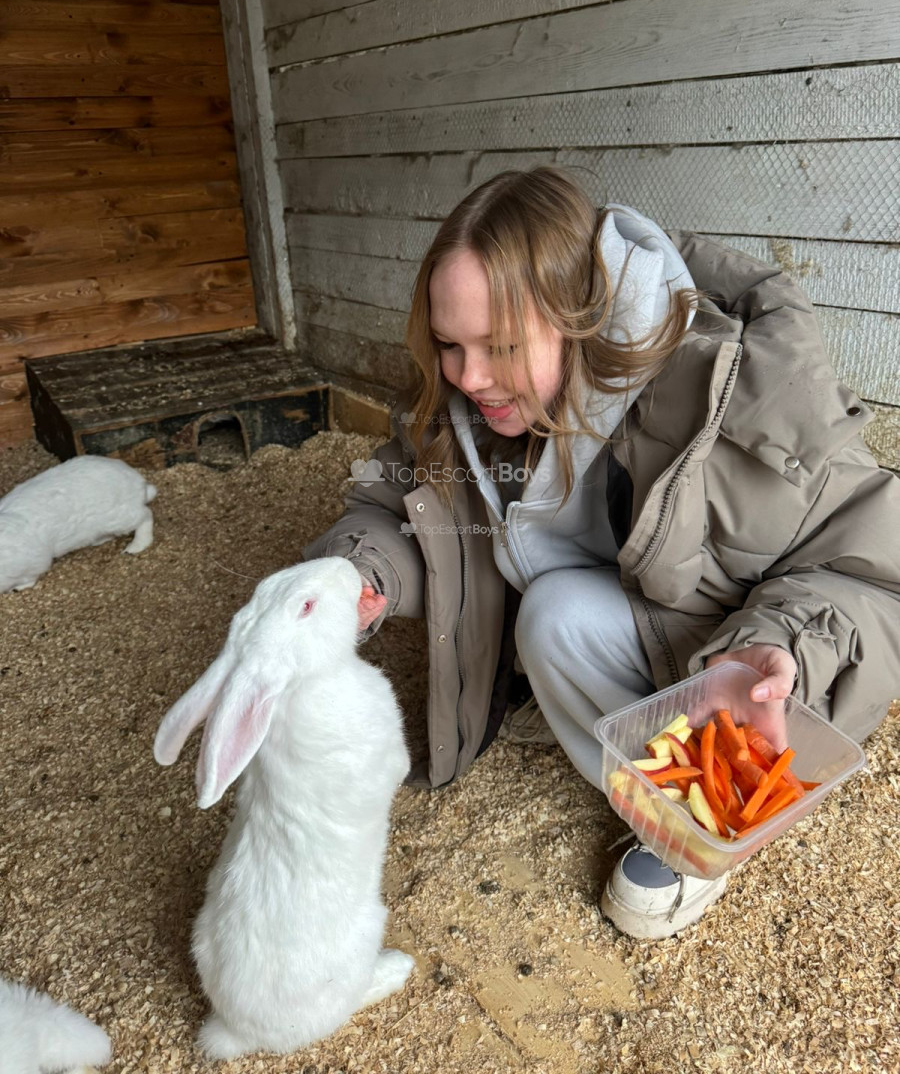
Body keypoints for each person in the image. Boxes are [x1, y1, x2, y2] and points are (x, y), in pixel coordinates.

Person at [302, 166, 900, 939]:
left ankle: (701, 820)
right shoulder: (478, 405)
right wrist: (360, 571)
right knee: (551, 617)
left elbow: (870, 570)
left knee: (554, 617)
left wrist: (773, 649)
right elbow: (397, 501)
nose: (469, 376)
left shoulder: (745, 394)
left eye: (500, 346)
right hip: (641, 620)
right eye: (449, 344)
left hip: (742, 656)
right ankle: (637, 751)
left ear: (580, 317)